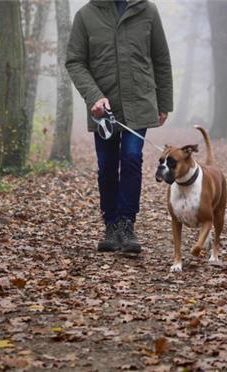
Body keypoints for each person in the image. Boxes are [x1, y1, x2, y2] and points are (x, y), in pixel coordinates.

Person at [66, 0, 172, 254]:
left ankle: (127, 224)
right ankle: (111, 225)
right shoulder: (86, 15)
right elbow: (75, 61)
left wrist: (164, 102)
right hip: (104, 108)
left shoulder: (147, 10)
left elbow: (161, 59)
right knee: (107, 167)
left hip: (140, 101)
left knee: (132, 157)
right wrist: (94, 96)